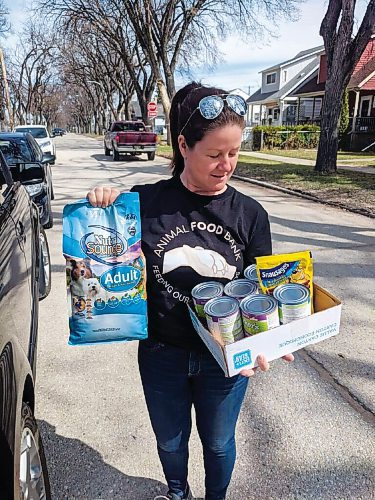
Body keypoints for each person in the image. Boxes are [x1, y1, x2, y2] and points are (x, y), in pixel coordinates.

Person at [87, 82, 294, 500]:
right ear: (183, 145)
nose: (226, 165)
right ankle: (177, 492)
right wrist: (103, 201)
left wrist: (270, 340)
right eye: (215, 154)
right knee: (169, 442)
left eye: (234, 153)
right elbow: (101, 248)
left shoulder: (251, 215)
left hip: (224, 358)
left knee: (218, 444)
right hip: (162, 352)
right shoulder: (143, 203)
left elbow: (261, 290)